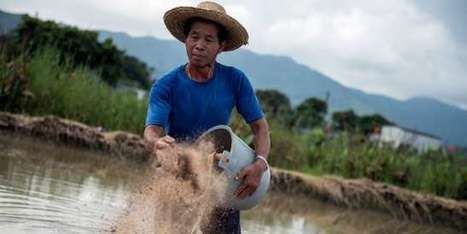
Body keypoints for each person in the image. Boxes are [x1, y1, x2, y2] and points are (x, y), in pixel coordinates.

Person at [144, 1, 270, 233]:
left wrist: (260, 164)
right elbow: (152, 131)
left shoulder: (235, 80)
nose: (199, 46)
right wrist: (156, 142)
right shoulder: (166, 85)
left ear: (221, 46)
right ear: (185, 39)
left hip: (221, 174)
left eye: (208, 40)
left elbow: (260, 128)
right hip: (178, 172)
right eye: (194, 37)